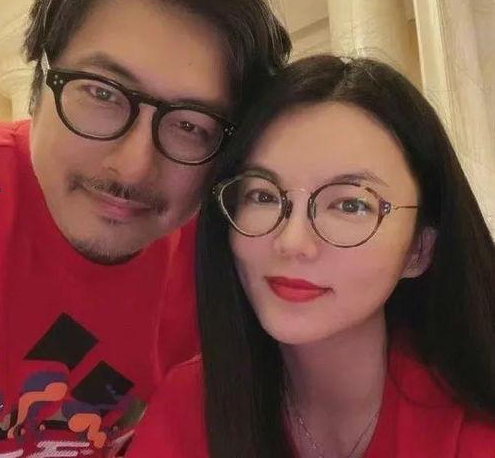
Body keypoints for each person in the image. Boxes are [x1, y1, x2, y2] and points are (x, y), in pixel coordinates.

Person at [0, 0, 290, 455]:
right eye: (102, 93)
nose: (134, 167)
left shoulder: (229, 259)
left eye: (190, 125)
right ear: (40, 77)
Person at [127, 55, 495, 458]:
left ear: (419, 249)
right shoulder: (187, 408)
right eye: (263, 195)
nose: (292, 241)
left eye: (350, 205)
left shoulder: (472, 429)